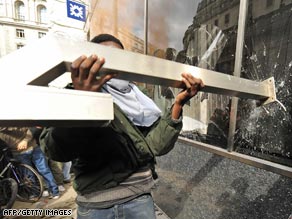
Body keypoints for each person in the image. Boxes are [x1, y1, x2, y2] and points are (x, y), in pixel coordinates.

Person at [40, 34, 204, 219]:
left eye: (120, 58)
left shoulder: (139, 99)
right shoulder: (74, 93)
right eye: (107, 58)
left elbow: (155, 146)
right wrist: (84, 99)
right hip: (97, 206)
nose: (116, 66)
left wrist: (178, 105)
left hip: (139, 199)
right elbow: (57, 151)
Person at [0, 127, 60, 200]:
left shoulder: (15, 121)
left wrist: (25, 140)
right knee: (29, 175)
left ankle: (54, 192)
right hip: (19, 153)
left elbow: (31, 129)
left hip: (33, 148)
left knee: (44, 170)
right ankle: (34, 194)